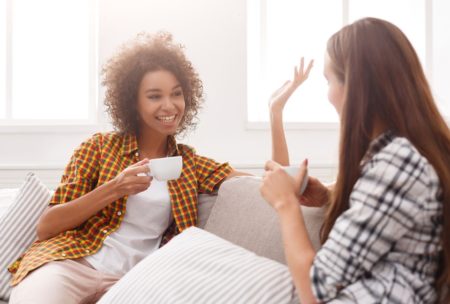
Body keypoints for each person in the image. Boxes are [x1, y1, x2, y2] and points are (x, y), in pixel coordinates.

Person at [8, 32, 245, 303]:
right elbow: (47, 226)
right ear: (133, 102)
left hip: (133, 283)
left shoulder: (190, 164)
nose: (169, 105)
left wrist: (274, 115)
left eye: (176, 94)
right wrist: (115, 188)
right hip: (71, 263)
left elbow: (264, 183)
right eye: (155, 96)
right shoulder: (98, 148)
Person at [261, 17, 450, 303]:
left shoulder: (398, 162)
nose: (328, 96)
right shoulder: (394, 156)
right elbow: (389, 214)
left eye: (329, 81)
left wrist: (285, 203)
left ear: (357, 86)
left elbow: (315, 288)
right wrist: (329, 195)